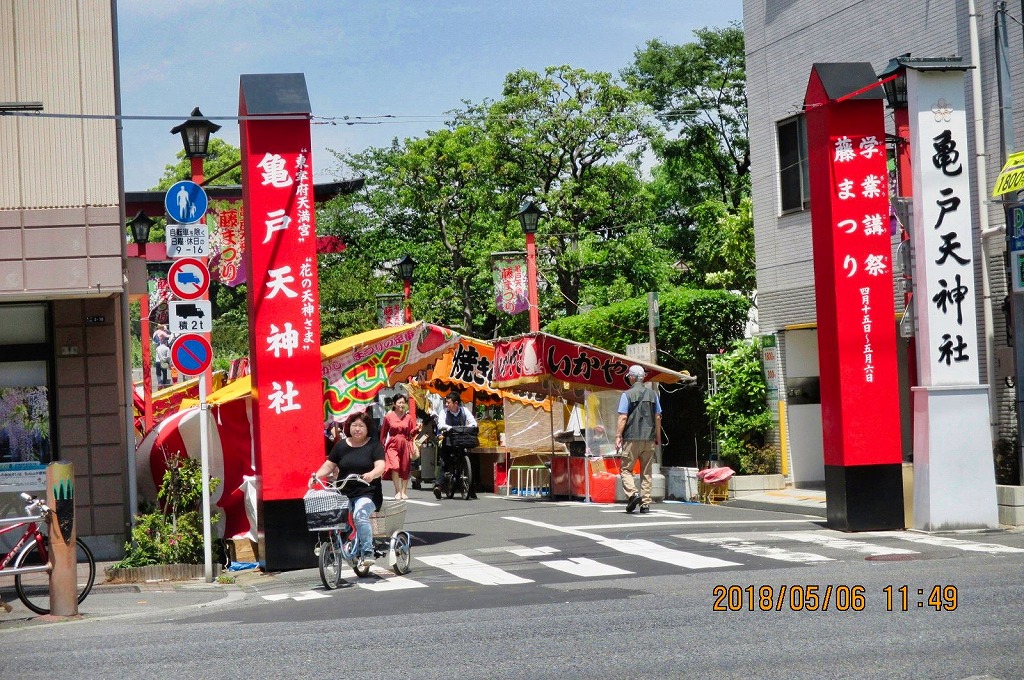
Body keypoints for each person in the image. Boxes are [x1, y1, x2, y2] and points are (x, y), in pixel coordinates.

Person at [309, 410, 386, 568]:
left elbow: (381, 465)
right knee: (333, 517)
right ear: (348, 427)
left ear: (367, 428)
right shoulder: (341, 446)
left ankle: (367, 551)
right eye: (354, 425)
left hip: (368, 493)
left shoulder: (374, 445)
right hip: (344, 492)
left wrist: (372, 474)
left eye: (361, 426)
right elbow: (329, 465)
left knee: (360, 515)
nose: (357, 429)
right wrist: (316, 476)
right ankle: (339, 545)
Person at [615, 364, 662, 514]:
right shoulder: (653, 395)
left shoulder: (626, 395)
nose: (629, 378)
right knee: (646, 472)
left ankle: (633, 494)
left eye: (629, 376)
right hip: (649, 438)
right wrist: (658, 437)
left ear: (633, 377)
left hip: (631, 438)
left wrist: (618, 436)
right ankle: (645, 504)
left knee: (626, 469)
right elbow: (658, 417)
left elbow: (623, 417)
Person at [433, 392, 477, 500]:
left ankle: (471, 488)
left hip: (461, 440)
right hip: (449, 440)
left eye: (448, 402)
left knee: (469, 459)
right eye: (446, 402)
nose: (446, 405)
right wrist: (450, 428)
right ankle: (438, 486)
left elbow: (473, 423)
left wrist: (468, 427)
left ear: (456, 403)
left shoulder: (464, 411)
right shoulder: (444, 412)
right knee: (444, 461)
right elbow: (440, 424)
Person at [380, 393, 419, 500]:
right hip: (392, 444)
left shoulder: (408, 417)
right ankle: (397, 491)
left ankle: (404, 491)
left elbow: (411, 433)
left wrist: (417, 429)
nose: (401, 405)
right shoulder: (388, 416)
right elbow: (383, 433)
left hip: (405, 443)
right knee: (395, 466)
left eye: (403, 402)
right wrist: (381, 447)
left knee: (405, 467)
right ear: (394, 403)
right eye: (399, 402)